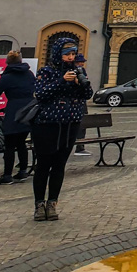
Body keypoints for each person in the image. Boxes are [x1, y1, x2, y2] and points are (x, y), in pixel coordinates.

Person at [31, 39, 93, 221]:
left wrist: (80, 83)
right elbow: (41, 94)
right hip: (47, 125)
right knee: (43, 165)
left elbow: (87, 95)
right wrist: (61, 81)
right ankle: (39, 204)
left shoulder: (78, 71)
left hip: (69, 125)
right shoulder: (46, 72)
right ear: (58, 53)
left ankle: (52, 203)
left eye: (73, 54)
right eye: (67, 54)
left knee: (59, 166)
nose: (70, 58)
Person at [0, 51, 35, 184]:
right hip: (29, 110)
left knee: (10, 144)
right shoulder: (29, 74)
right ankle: (23, 171)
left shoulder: (7, 77)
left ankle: (7, 175)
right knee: (22, 142)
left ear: (7, 62)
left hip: (13, 111)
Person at [72, 54, 92, 158]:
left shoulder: (82, 71)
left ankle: (80, 147)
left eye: (83, 62)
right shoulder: (71, 71)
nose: (82, 63)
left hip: (82, 101)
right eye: (80, 62)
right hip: (74, 102)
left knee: (82, 124)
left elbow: (87, 88)